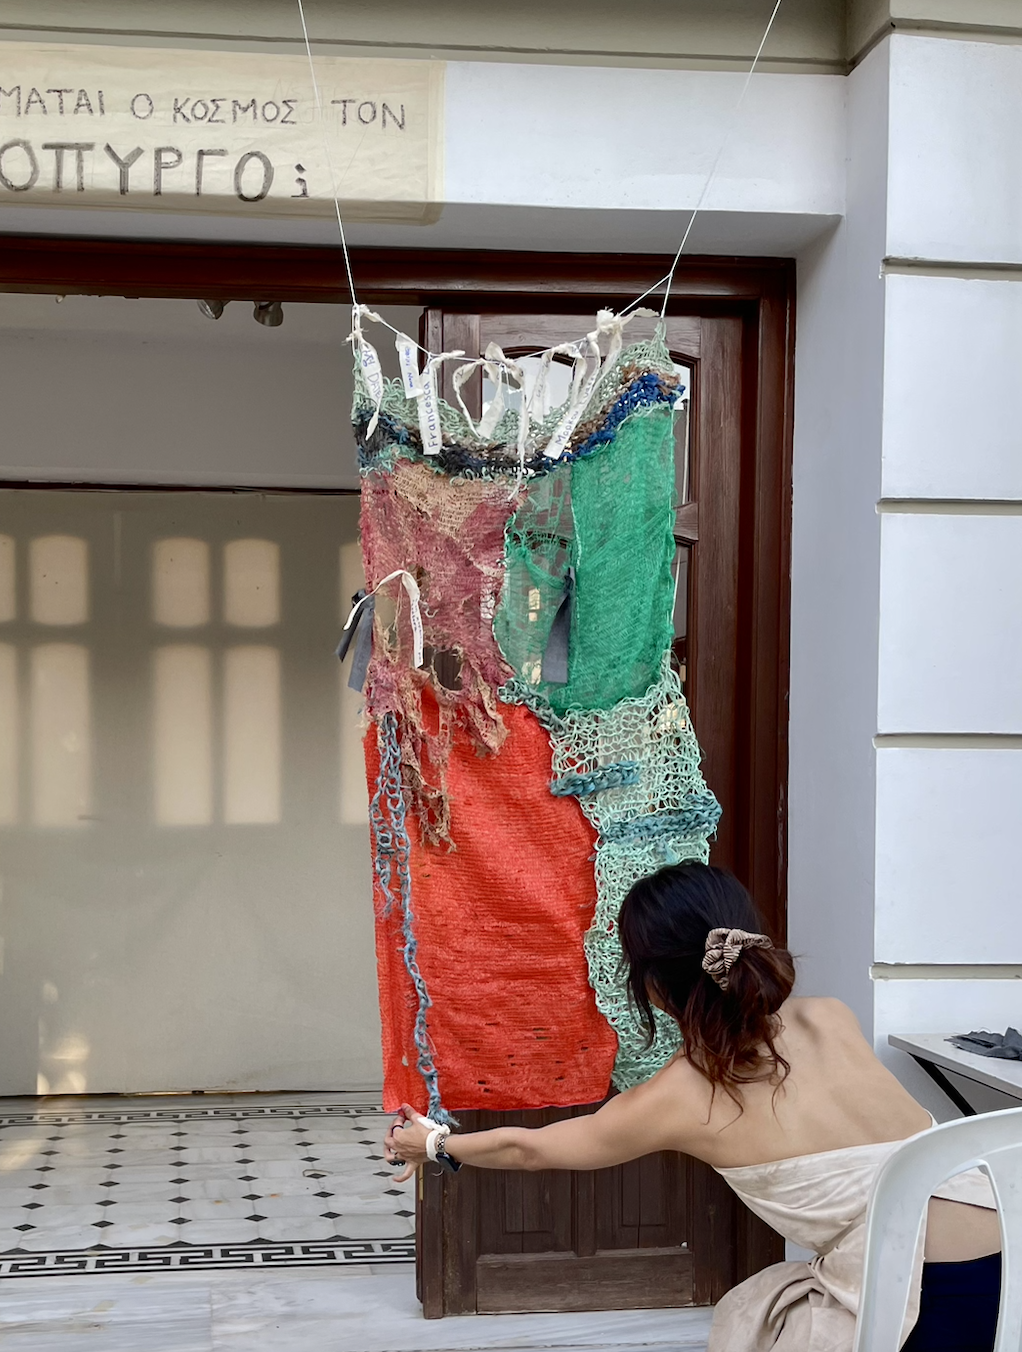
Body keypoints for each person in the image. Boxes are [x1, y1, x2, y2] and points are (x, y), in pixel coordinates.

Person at [385, 863, 1002, 1352]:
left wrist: (433, 1143)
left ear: (653, 986)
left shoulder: (679, 1097)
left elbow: (529, 1148)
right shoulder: (831, 1017)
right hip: (1011, 1262)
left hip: (919, 1305)